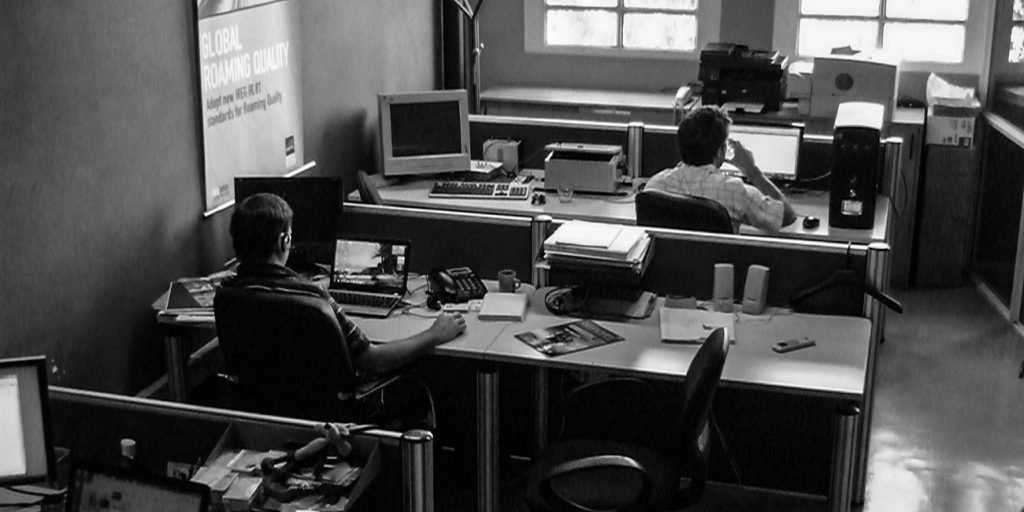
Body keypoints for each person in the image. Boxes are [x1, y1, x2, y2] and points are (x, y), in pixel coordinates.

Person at [220, 192, 466, 376]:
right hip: (331, 412)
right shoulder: (312, 297)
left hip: (258, 411)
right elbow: (373, 360)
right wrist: (434, 334)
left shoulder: (228, 292)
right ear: (284, 241)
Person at [645, 106, 797, 232]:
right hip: (717, 261)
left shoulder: (654, 187)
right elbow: (787, 216)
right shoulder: (734, 191)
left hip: (669, 261)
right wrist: (752, 171)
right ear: (720, 152)